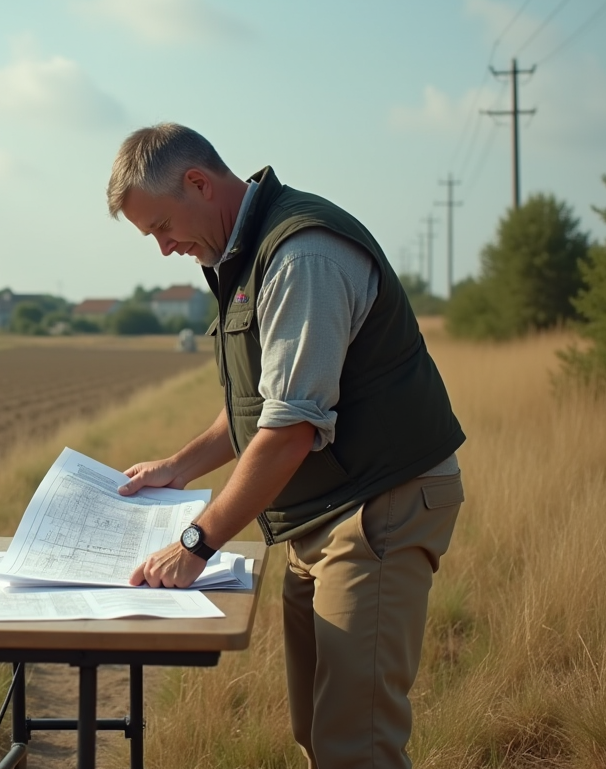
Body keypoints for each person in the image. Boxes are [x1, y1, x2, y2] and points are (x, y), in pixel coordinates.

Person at [107, 123, 465, 769]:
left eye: (162, 226)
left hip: (376, 509)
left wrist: (197, 543)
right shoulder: (242, 256)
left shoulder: (301, 255)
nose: (163, 248)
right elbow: (263, 405)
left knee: (356, 744)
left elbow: (291, 431)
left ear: (198, 183)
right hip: (324, 515)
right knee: (318, 729)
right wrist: (177, 468)